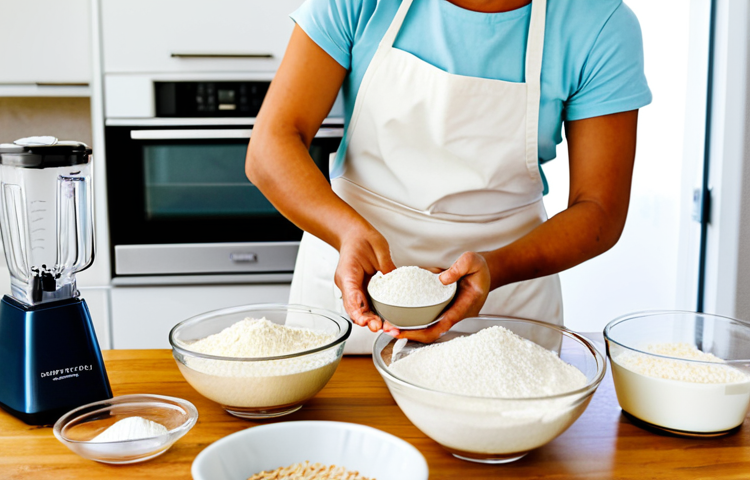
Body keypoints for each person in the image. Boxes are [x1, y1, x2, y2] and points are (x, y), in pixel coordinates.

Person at [246, 0, 651, 353]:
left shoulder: (599, 24)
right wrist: (345, 232)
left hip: (502, 310)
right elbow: (271, 145)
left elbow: (600, 209)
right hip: (349, 299)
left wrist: (496, 268)